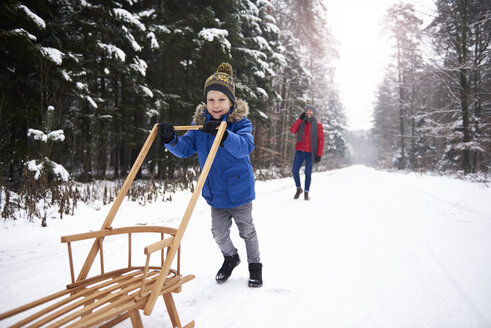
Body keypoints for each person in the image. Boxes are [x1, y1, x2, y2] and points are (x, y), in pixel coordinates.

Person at [157, 63, 263, 288]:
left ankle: (255, 267)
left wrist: (223, 134)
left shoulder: (240, 124)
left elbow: (245, 146)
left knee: (247, 232)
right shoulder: (200, 124)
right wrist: (170, 140)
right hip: (215, 193)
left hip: (240, 192)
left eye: (221, 100)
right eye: (211, 100)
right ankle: (231, 257)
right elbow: (185, 148)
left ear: (231, 101)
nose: (215, 105)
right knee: (219, 233)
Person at [290, 105, 324, 200]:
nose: (309, 112)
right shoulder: (301, 122)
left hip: (310, 153)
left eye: (311, 111)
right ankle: (298, 188)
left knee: (308, 173)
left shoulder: (318, 125)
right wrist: (299, 120)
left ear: (313, 112)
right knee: (294, 171)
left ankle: (306, 192)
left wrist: (319, 154)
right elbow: (292, 131)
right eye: (307, 111)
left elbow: (321, 141)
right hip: (300, 151)